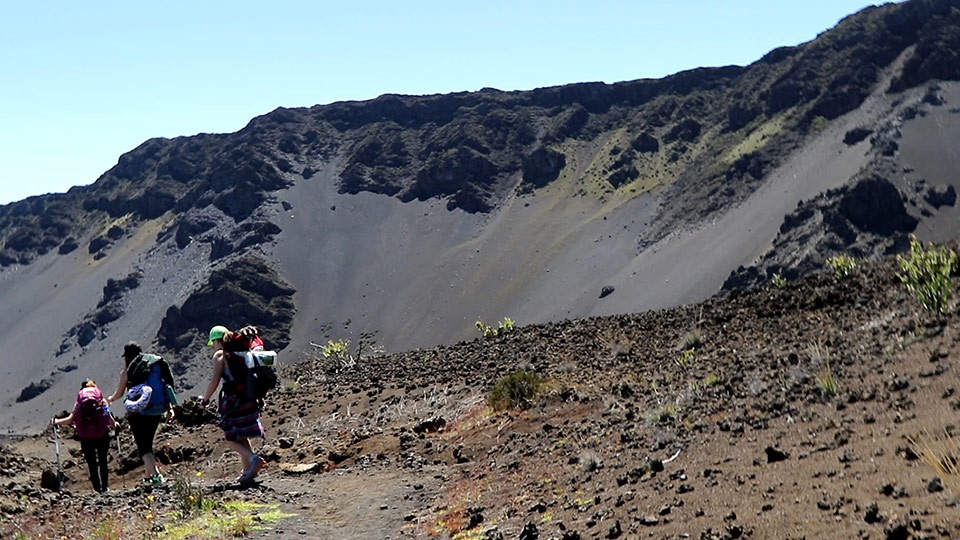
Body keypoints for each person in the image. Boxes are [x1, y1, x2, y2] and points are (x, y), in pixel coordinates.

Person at [199, 325, 267, 484]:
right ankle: (247, 471)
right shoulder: (241, 353)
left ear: (217, 341)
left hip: (232, 400)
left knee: (231, 438)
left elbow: (215, 381)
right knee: (241, 435)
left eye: (213, 343)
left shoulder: (220, 355)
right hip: (248, 397)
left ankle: (253, 459)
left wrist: (205, 399)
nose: (213, 346)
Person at [106, 341, 176, 487]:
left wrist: (110, 399)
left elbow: (120, 393)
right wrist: (170, 407)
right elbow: (165, 385)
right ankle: (147, 477)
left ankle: (157, 476)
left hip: (137, 413)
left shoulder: (128, 371)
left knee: (143, 447)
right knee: (148, 443)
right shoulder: (153, 365)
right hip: (156, 409)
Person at [51, 380, 115, 493]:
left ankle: (97, 489)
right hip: (102, 434)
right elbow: (108, 415)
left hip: (86, 436)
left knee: (91, 463)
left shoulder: (79, 403)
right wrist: (114, 425)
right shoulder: (101, 400)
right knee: (103, 460)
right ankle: (105, 487)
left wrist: (56, 421)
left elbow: (70, 419)